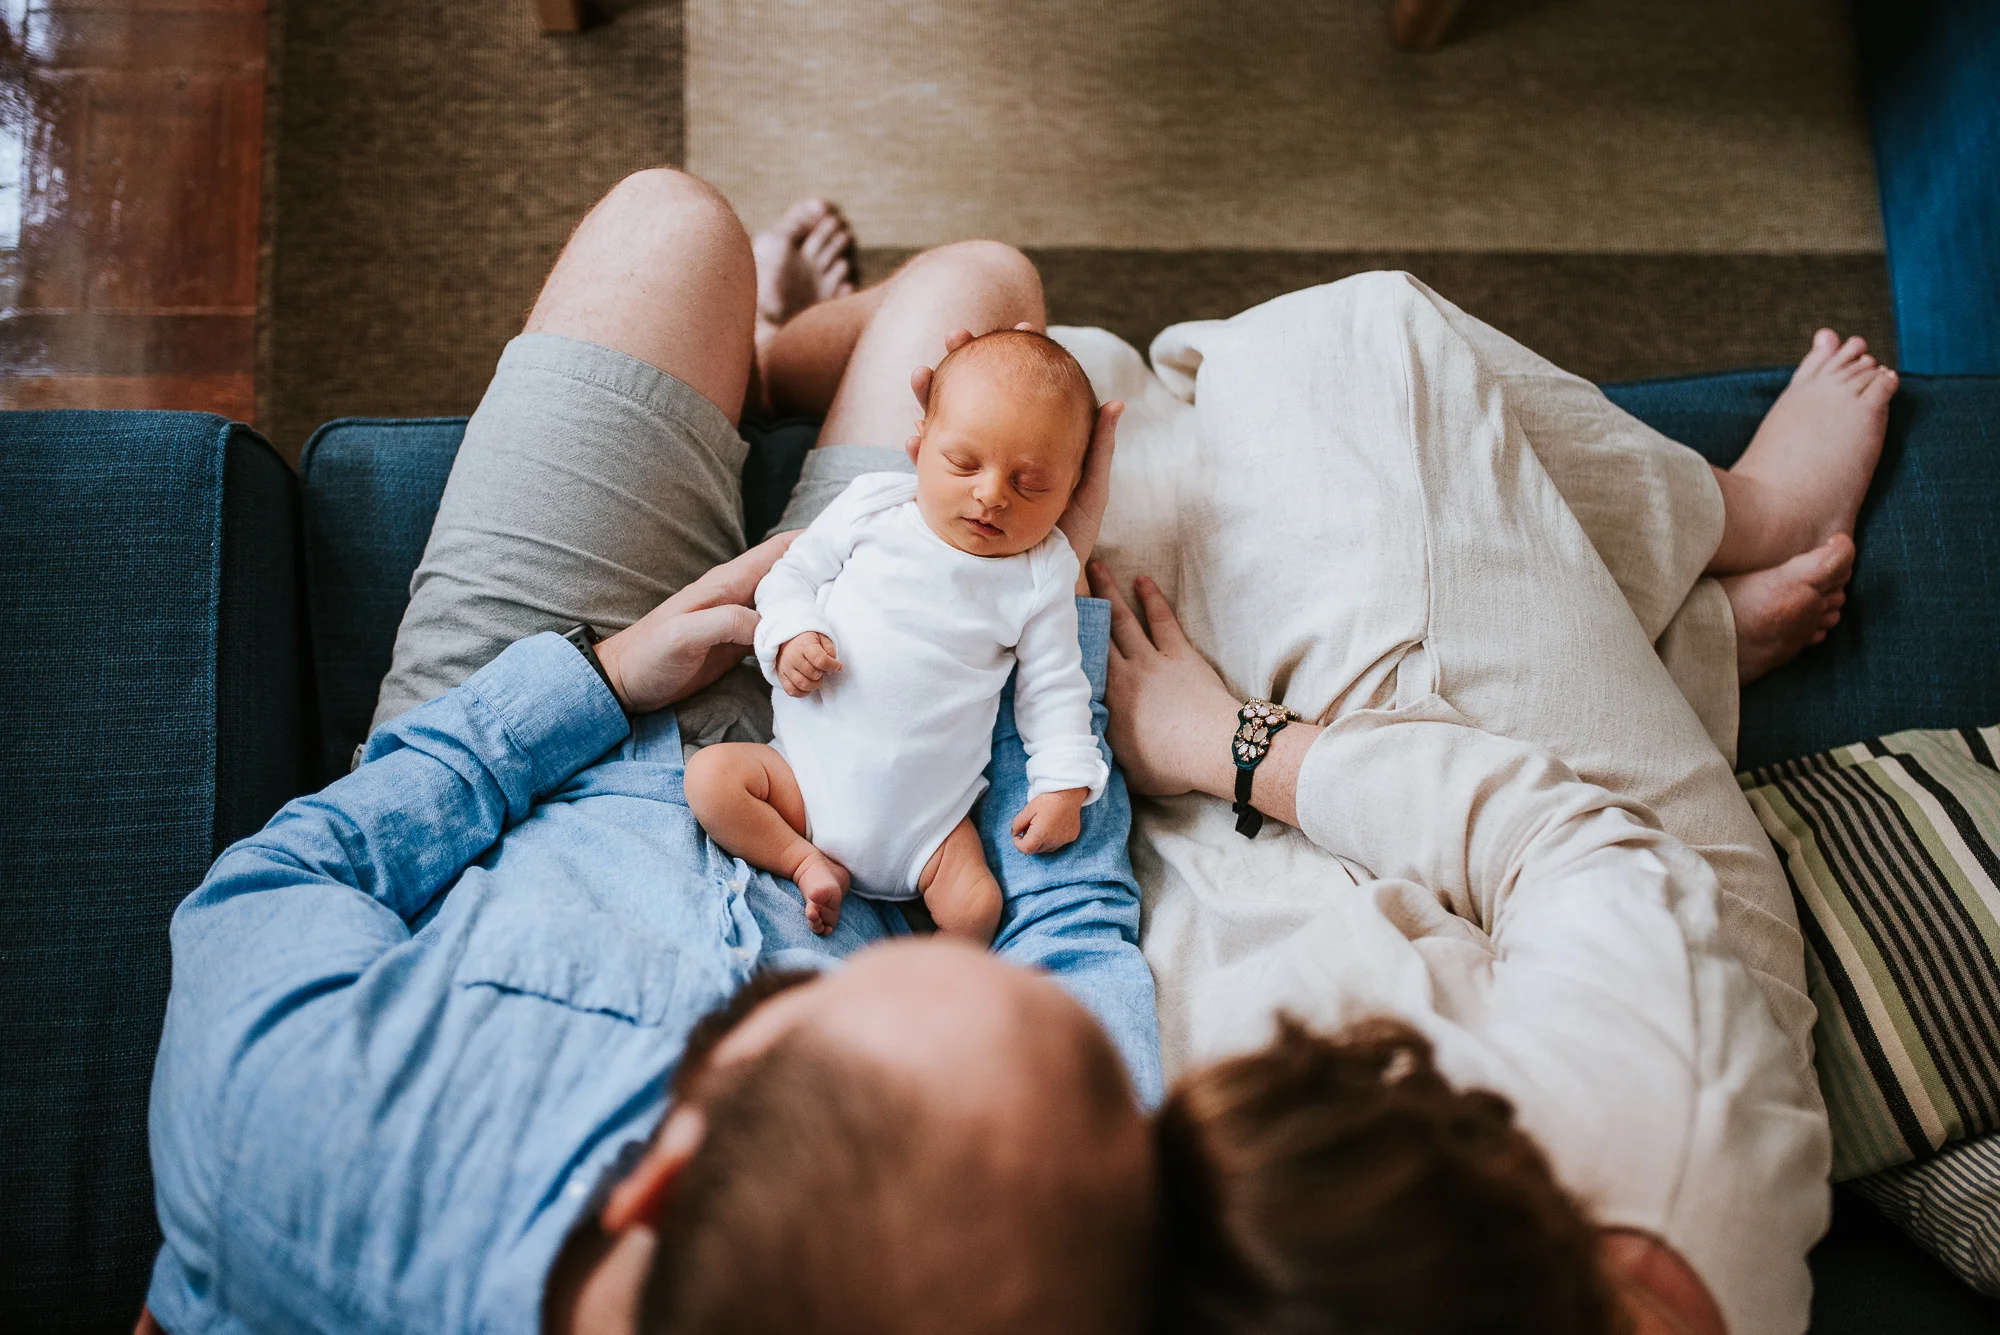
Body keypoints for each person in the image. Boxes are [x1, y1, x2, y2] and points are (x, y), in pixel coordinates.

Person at [142, 170, 1162, 1335]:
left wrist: (602, 675)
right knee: (980, 285)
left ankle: (763, 354)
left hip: (554, 755)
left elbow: (285, 879)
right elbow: (1068, 963)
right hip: (872, 765)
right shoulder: (995, 1263)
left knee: (671, 229)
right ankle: (771, 364)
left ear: (654, 1185)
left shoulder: (276, 1134)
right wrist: (1039, 594)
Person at [1089, 287, 1896, 1335]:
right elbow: (1547, 834)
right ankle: (1744, 523)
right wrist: (1229, 743)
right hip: (1627, 880)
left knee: (1084, 499)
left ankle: (1661, 646)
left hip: (1281, 953)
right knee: (1335, 348)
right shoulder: (1672, 1112)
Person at [686, 330, 1111, 940]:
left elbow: (1055, 688)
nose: (991, 495)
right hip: (800, 782)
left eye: (1031, 484)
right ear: (921, 443)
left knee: (976, 911)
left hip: (929, 830)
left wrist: (1064, 785)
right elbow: (788, 575)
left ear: (1070, 488)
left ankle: (933, 977)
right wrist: (792, 633)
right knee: (711, 780)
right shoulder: (873, 507)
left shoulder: (1042, 573)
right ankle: (804, 863)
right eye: (963, 463)